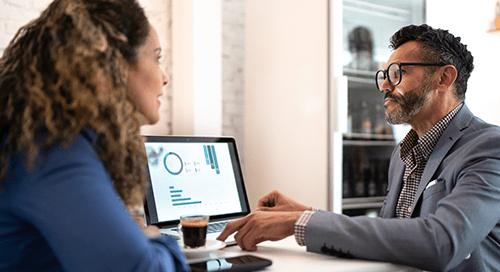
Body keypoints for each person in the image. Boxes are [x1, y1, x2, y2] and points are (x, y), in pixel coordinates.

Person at [218, 24, 500, 272]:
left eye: (398, 73)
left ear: (444, 78)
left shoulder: (489, 147)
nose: (385, 85)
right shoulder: (403, 153)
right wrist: (305, 212)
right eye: (385, 74)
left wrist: (301, 222)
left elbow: (442, 242)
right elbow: (391, 236)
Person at [0, 0, 189, 271]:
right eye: (156, 58)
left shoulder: (51, 139)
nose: (164, 77)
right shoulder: (53, 151)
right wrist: (156, 240)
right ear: (116, 62)